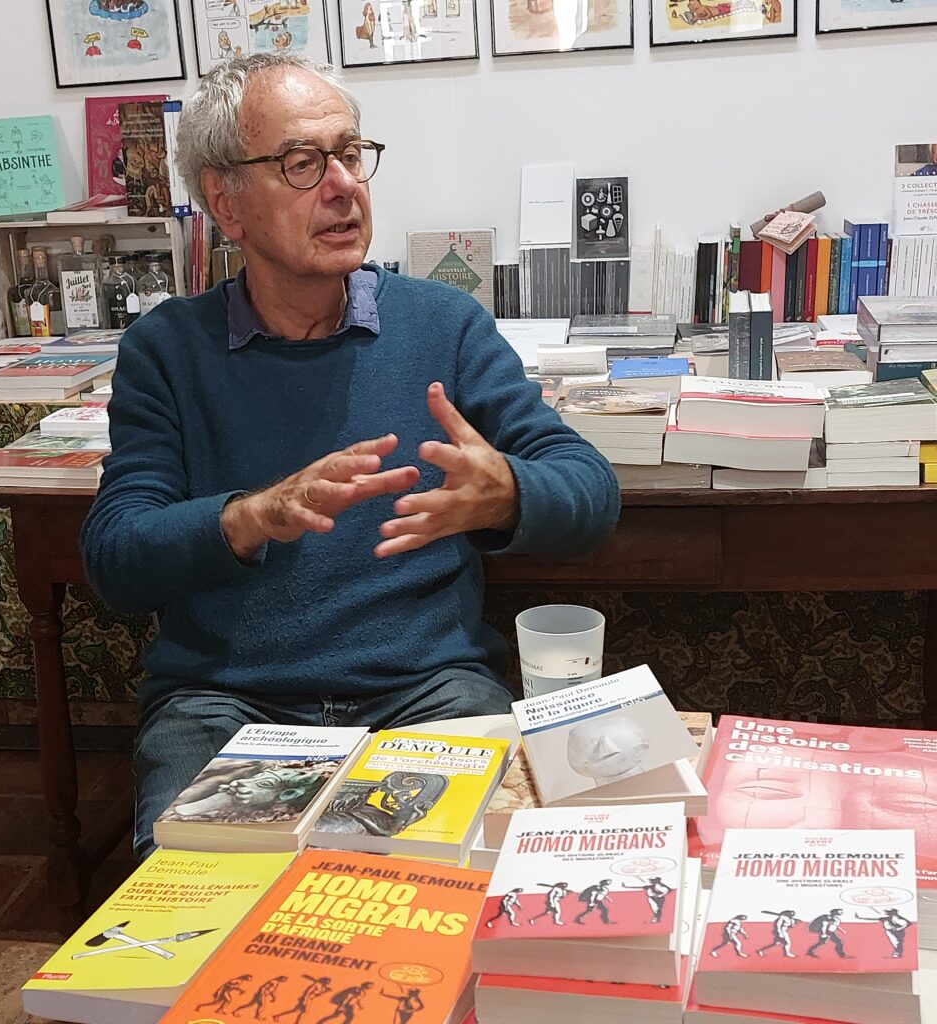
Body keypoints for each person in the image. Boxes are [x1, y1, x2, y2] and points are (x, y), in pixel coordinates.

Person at [80, 52, 620, 859]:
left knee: (461, 902)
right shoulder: (167, 350)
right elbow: (116, 557)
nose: (343, 184)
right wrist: (251, 517)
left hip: (428, 691)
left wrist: (508, 494)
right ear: (225, 202)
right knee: (199, 923)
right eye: (302, 163)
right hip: (227, 703)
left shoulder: (443, 325)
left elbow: (590, 489)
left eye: (350, 153)